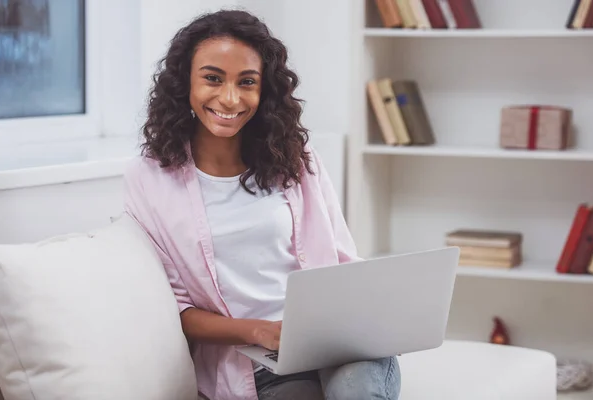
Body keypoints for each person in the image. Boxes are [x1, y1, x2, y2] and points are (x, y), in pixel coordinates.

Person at [123, 9, 401, 400]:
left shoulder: (296, 158)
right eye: (212, 78)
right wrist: (257, 331)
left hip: (338, 340)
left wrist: (378, 317)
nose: (230, 98)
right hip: (258, 362)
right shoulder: (149, 179)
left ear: (264, 90)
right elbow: (177, 310)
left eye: (247, 82)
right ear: (184, 81)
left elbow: (342, 258)